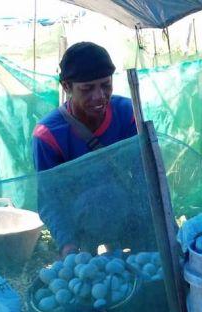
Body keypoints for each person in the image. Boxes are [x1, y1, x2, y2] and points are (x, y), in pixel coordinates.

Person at [32, 42, 142, 258]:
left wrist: (157, 228)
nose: (99, 96)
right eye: (87, 88)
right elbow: (50, 200)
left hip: (126, 212)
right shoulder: (48, 135)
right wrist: (68, 247)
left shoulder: (128, 114)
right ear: (66, 87)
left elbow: (145, 177)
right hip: (79, 220)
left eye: (106, 85)